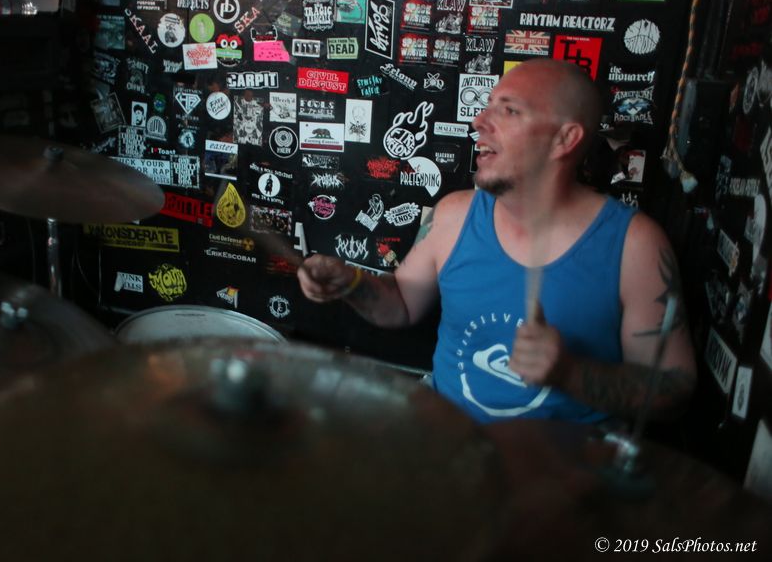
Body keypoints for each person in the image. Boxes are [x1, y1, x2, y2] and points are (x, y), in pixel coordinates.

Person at [297, 59, 696, 424]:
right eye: (488, 105)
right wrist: (350, 283)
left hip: (565, 468)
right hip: (450, 450)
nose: (478, 121)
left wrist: (570, 373)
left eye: (509, 110)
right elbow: (400, 304)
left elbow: (674, 388)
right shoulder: (453, 216)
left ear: (564, 139)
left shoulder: (634, 244)